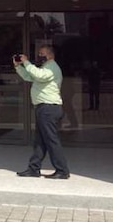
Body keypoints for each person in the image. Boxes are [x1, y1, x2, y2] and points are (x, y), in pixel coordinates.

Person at [13, 45, 70, 179]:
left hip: (49, 108)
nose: (39, 56)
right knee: (40, 141)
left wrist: (26, 62)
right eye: (39, 54)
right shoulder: (45, 68)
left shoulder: (52, 67)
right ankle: (34, 168)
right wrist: (18, 67)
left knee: (51, 140)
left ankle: (62, 170)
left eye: (42, 54)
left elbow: (39, 75)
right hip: (43, 108)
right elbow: (30, 76)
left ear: (50, 55)